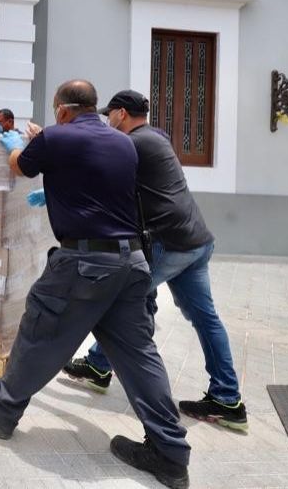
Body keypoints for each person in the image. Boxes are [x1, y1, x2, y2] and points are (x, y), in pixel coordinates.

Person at [0, 80, 191, 489]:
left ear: (63, 110)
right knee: (140, 356)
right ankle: (170, 453)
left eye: (55, 113)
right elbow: (94, 177)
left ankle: (1, 409)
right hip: (132, 261)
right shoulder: (124, 143)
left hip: (85, 261)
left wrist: (18, 144)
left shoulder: (55, 137)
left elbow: (20, 165)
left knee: (40, 330)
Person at [62, 89, 248, 431]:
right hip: (195, 240)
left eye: (108, 115)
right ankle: (227, 398)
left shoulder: (134, 143)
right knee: (204, 318)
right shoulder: (156, 136)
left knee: (121, 299)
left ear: (120, 114)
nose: (106, 121)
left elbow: (93, 163)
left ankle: (101, 367)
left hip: (172, 243)